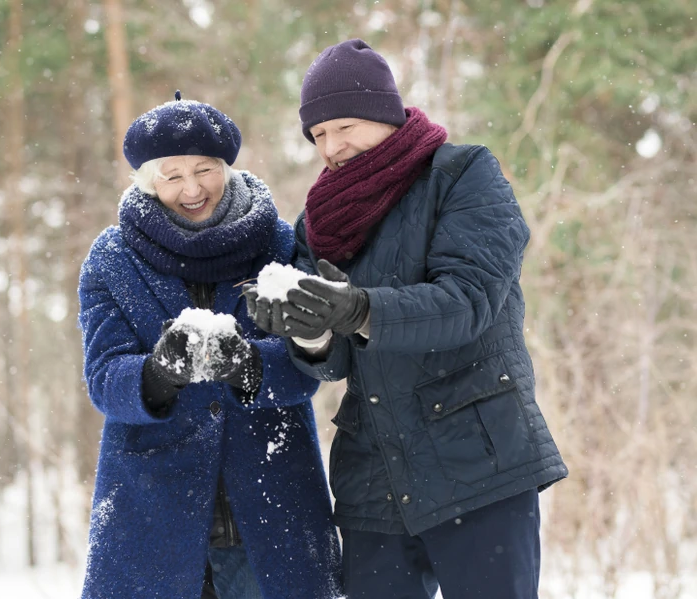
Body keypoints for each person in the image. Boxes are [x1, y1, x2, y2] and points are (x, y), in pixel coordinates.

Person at [245, 40, 568, 599]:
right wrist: (311, 328)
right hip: (374, 481)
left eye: (344, 126)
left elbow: (468, 301)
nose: (332, 147)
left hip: (478, 461)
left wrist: (361, 307)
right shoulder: (318, 220)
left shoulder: (462, 174)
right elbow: (336, 361)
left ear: (385, 116)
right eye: (317, 135)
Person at [78, 92, 341, 599]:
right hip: (152, 515)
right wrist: (157, 374)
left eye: (205, 169)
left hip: (272, 508)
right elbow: (104, 377)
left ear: (227, 167)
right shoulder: (112, 259)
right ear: (148, 181)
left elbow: (309, 365)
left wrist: (248, 365)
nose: (193, 188)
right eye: (172, 175)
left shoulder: (279, 245)